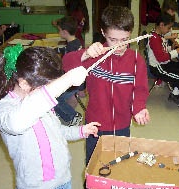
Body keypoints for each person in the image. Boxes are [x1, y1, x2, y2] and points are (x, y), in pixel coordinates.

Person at [0, 45, 100, 189]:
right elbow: (18, 122)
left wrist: (80, 131)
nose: (51, 94)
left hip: (63, 182)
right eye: (47, 88)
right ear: (24, 83)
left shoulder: (42, 103)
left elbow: (55, 131)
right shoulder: (5, 109)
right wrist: (66, 80)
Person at [63, 6, 150, 165]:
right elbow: (66, 64)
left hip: (122, 124)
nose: (119, 46)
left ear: (131, 33)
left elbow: (140, 89)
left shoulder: (137, 60)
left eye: (124, 40)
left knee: (119, 162)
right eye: (113, 40)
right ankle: (91, 188)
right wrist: (85, 54)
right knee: (94, 162)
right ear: (103, 33)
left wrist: (139, 107)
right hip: (94, 124)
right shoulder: (94, 56)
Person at [54, 16, 84, 126]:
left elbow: (79, 68)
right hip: (72, 82)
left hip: (72, 83)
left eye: (59, 30)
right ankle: (64, 113)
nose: (58, 32)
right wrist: (57, 49)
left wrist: (80, 88)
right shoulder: (75, 42)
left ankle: (73, 116)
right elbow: (66, 50)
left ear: (65, 32)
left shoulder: (72, 48)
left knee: (54, 99)